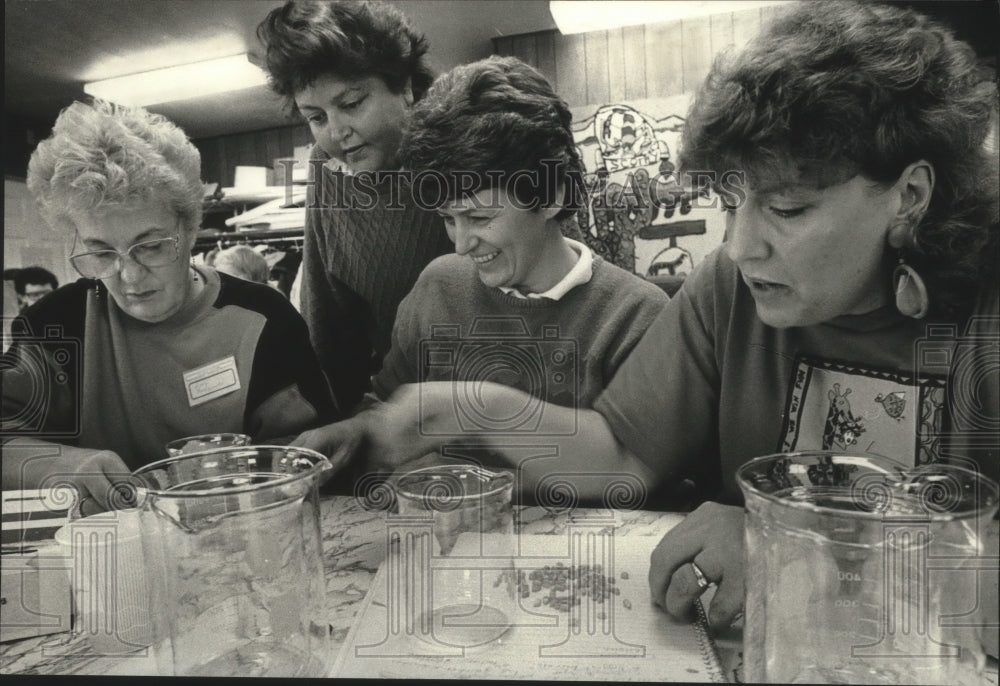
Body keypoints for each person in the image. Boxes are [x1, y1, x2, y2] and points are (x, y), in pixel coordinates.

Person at [303, 0, 1000, 648]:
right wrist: (473, 409)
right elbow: (622, 457)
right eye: (734, 202)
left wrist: (792, 546)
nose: (741, 246)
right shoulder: (729, 289)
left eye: (788, 210)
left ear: (909, 195)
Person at [292, 56, 670, 500]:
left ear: (551, 195)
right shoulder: (437, 287)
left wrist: (479, 455)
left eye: (479, 216)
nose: (461, 243)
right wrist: (354, 432)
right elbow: (390, 408)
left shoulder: (636, 317)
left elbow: (643, 475)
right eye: (448, 219)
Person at [1, 100, 339, 515]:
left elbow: (312, 455)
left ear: (189, 228)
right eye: (102, 253)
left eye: (151, 246)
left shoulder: (265, 319)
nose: (130, 277)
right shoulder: (54, 323)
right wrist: (68, 466)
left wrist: (234, 472)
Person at [257, 0, 454, 413]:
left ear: (405, 87)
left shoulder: (466, 140)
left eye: (351, 104)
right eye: (316, 117)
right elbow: (328, 326)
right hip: (403, 417)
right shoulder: (326, 169)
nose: (336, 132)